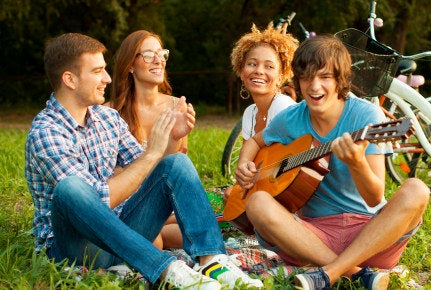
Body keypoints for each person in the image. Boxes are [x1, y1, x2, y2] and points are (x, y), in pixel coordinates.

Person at [24, 32, 263, 289]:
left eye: (105, 70)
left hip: (123, 237)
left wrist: (171, 141)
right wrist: (151, 153)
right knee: (69, 189)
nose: (106, 78)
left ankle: (212, 260)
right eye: (97, 71)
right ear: (69, 79)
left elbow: (151, 176)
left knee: (176, 164)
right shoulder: (46, 133)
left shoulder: (107, 118)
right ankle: (166, 269)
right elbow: (99, 200)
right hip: (77, 248)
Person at [235, 35, 430, 290]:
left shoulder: (366, 115)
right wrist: (244, 164)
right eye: (306, 77)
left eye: (325, 77)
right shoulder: (291, 118)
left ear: (341, 79)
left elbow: (374, 198)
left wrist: (357, 162)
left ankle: (332, 272)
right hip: (313, 237)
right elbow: (256, 141)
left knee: (417, 189)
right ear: (297, 80)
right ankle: (359, 276)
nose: (314, 87)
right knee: (257, 202)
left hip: (370, 235)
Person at [106, 30, 190, 250]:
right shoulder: (108, 112)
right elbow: (112, 176)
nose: (158, 60)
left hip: (164, 200)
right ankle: (151, 231)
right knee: (171, 237)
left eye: (161, 53)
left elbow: (174, 169)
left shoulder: (176, 106)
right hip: (125, 202)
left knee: (189, 229)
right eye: (148, 54)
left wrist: (176, 137)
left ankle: (151, 229)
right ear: (130, 65)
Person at [223, 23, 299, 200]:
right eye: (252, 64)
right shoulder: (250, 112)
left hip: (286, 189)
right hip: (263, 187)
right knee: (229, 195)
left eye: (269, 67)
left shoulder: (283, 107)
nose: (259, 71)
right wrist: (242, 176)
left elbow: (291, 163)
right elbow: (249, 161)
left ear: (281, 76)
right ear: (242, 72)